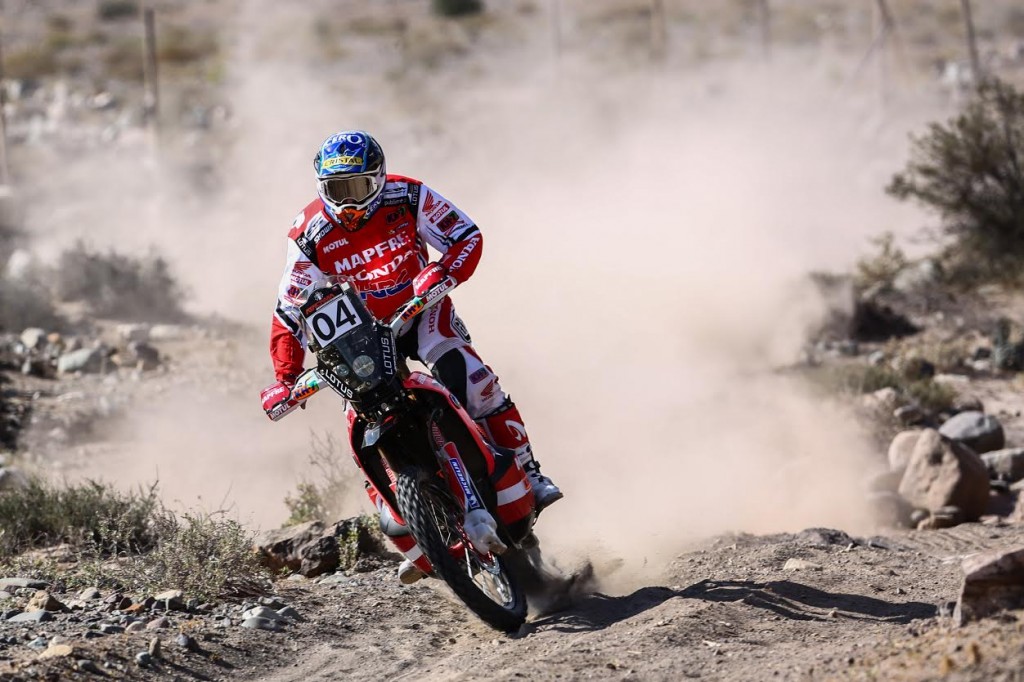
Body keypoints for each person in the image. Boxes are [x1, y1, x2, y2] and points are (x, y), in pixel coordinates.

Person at [261, 130, 562, 584]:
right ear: (321, 188)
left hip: (419, 312)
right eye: (337, 190)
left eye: (358, 187)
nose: (348, 201)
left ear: (379, 179)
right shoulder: (308, 233)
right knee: (360, 421)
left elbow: (466, 235)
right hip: (358, 338)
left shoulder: (408, 195)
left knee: (471, 380)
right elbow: (289, 309)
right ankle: (416, 529)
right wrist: (285, 378)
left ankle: (530, 473)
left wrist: (441, 272)